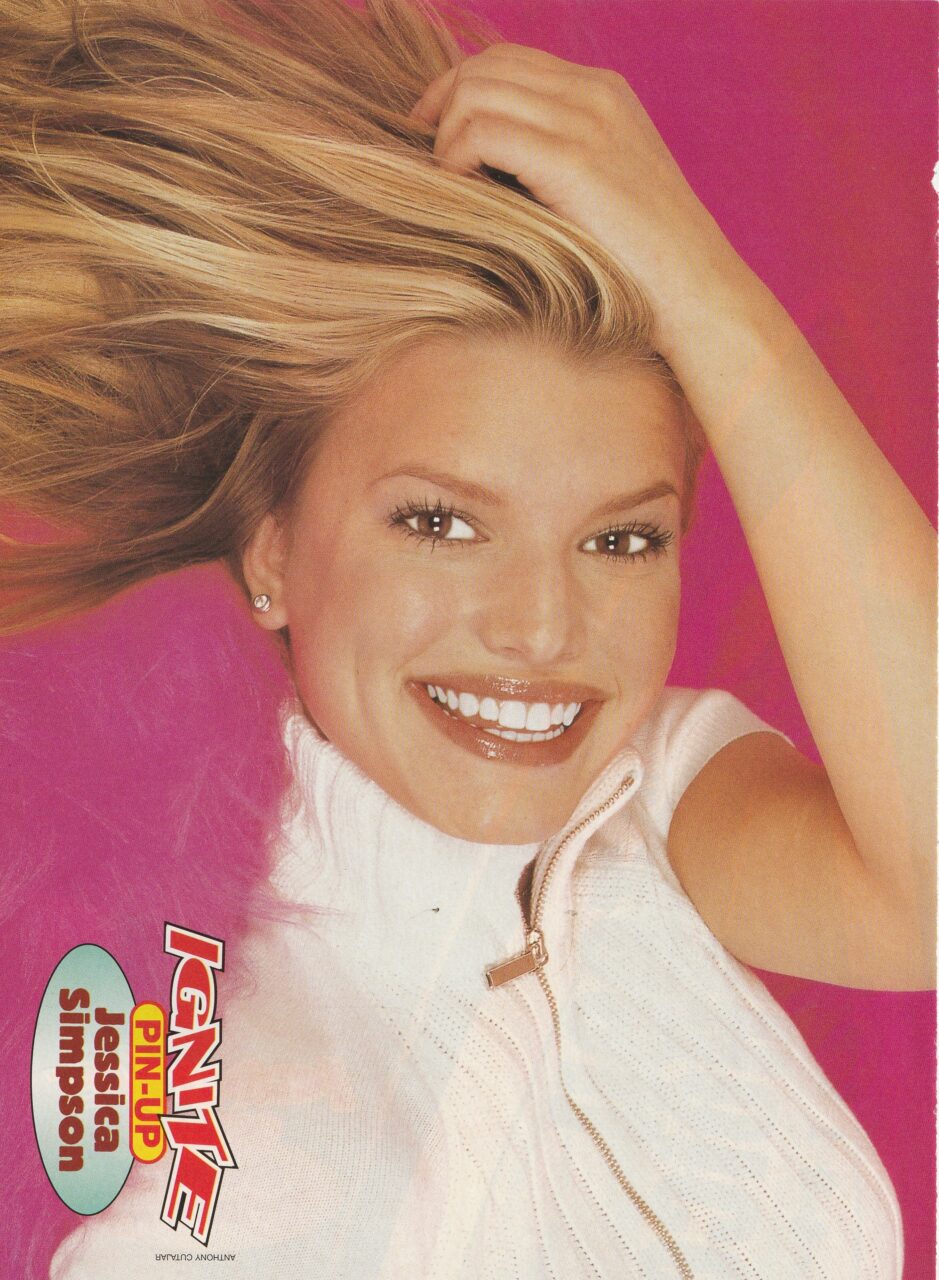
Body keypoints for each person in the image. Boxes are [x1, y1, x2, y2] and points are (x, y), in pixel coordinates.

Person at [0, 0, 932, 1276]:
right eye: (439, 522)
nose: (542, 627)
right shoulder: (208, 1128)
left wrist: (705, 287)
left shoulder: (647, 799)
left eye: (622, 538)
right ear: (272, 548)